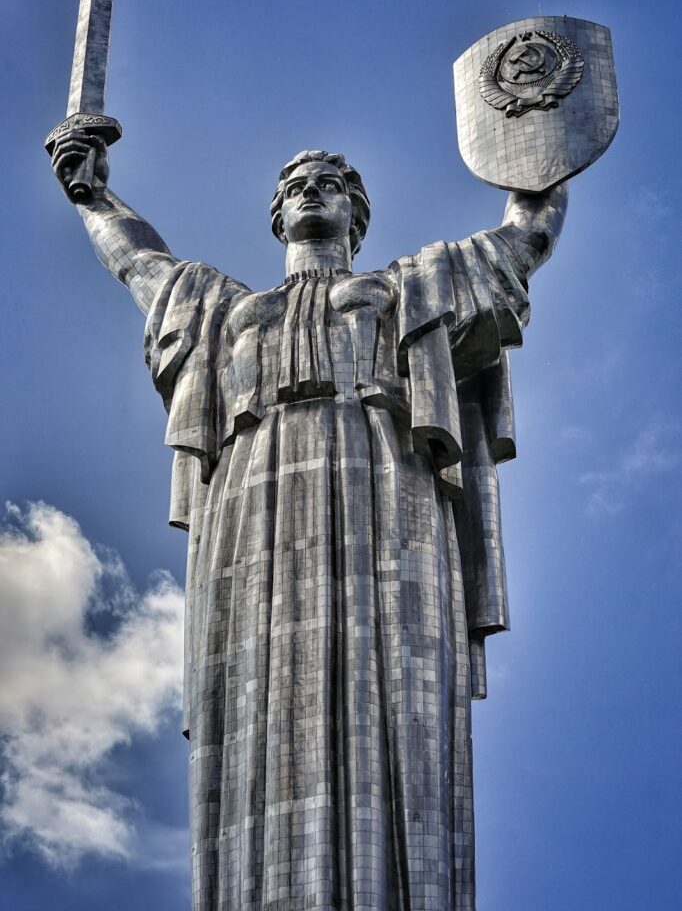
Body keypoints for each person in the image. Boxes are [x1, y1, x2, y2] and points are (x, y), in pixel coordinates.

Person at [50, 130, 567, 911]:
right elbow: (140, 265)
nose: (311, 189)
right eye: (297, 183)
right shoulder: (226, 309)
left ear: (356, 215)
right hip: (252, 496)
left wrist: (541, 150)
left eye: (331, 183)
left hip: (383, 480)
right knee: (254, 702)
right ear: (277, 213)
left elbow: (523, 240)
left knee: (395, 685)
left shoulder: (407, 288)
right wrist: (93, 197)